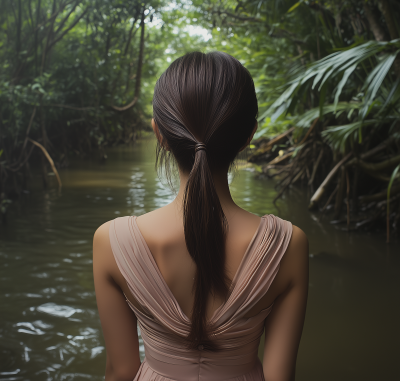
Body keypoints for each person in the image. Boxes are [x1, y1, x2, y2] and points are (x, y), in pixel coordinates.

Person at [93, 51, 309, 381]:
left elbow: (120, 370)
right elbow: (281, 376)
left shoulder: (111, 240)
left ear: (159, 134)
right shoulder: (288, 243)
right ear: (248, 136)